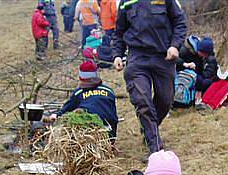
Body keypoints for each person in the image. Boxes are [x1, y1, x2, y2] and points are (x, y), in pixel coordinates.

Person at [112, 0, 186, 158]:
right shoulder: (126, 2)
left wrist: (175, 45)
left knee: (165, 100)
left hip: (163, 57)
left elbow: (180, 23)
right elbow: (119, 31)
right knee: (142, 101)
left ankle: (148, 127)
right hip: (137, 58)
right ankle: (156, 148)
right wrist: (118, 54)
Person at [48, 61, 119, 140]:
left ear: (81, 78)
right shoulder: (108, 91)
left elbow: (68, 107)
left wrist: (57, 114)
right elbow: (113, 113)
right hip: (110, 127)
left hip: (91, 128)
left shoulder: (79, 92)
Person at [175, 35, 218, 105]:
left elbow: (206, 71)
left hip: (196, 74)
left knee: (208, 82)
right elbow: (174, 59)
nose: (204, 56)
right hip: (183, 76)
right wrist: (185, 64)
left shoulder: (206, 57)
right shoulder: (184, 50)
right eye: (203, 54)